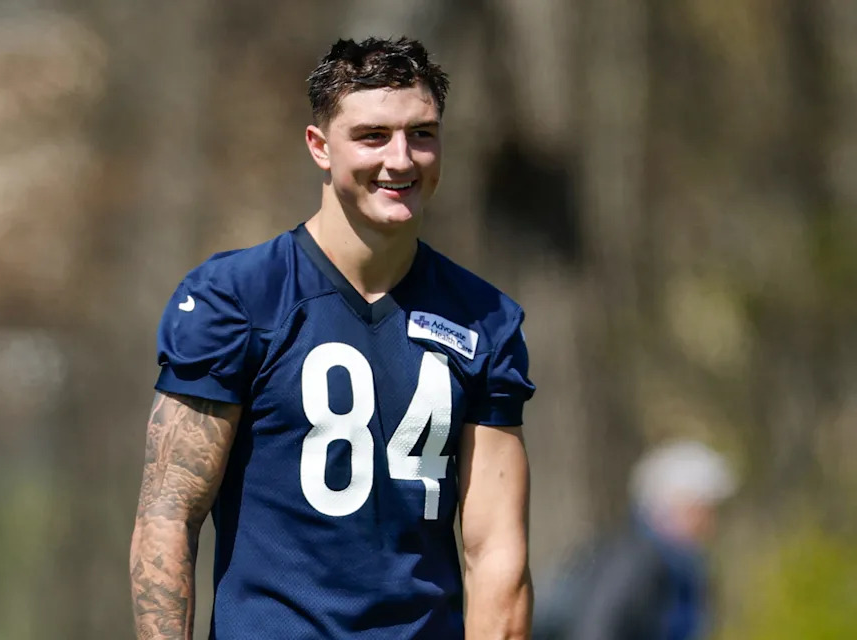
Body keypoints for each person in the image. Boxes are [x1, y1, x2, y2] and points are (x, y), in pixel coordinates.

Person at [129, 36, 536, 640]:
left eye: (421, 134)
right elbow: (169, 514)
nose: (401, 159)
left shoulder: (484, 319)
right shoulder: (237, 298)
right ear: (320, 147)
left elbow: (497, 554)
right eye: (373, 136)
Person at [532, 440, 736, 640]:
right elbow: (595, 630)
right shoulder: (634, 562)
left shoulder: (676, 567)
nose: (710, 524)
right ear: (674, 506)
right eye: (703, 510)